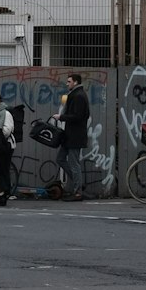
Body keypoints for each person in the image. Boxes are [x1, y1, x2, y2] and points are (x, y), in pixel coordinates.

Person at [55, 72, 91, 201]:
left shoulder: (79, 96)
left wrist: (61, 117)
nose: (67, 84)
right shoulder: (75, 94)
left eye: (69, 81)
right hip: (70, 135)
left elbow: (78, 116)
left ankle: (78, 192)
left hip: (75, 136)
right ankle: (78, 183)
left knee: (74, 163)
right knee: (60, 159)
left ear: (75, 82)